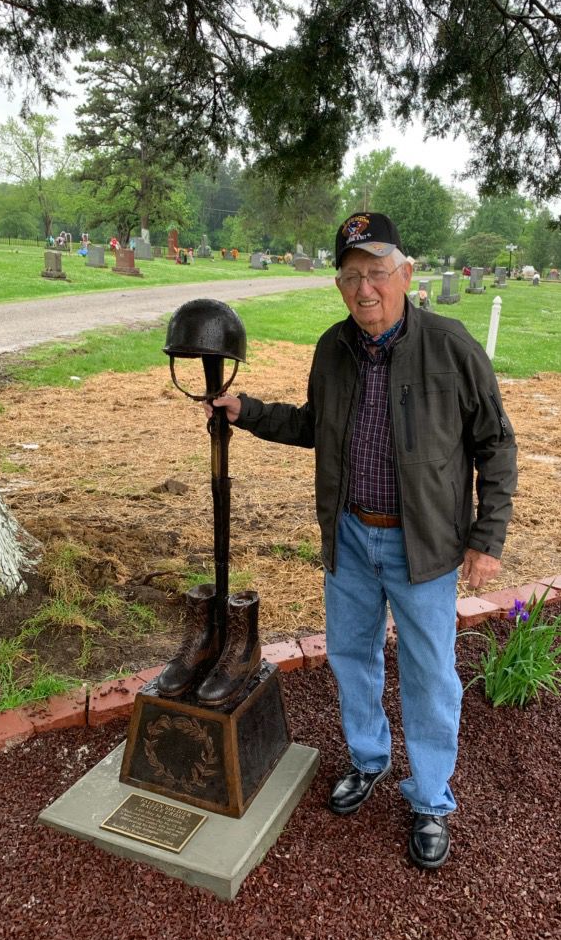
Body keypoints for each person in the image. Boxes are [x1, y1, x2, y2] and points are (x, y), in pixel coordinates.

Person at [207, 212, 518, 871]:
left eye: (377, 273)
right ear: (339, 285)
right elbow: (314, 425)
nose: (364, 288)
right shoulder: (333, 348)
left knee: (430, 674)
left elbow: (496, 444)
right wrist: (247, 411)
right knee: (352, 657)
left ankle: (430, 798)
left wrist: (487, 538)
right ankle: (369, 759)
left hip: (423, 546)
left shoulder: (451, 346)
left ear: (405, 274)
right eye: (351, 276)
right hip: (350, 536)